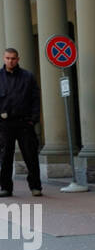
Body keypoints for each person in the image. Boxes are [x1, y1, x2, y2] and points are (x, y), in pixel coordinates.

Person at [0, 48, 42, 197]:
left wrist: (33, 120)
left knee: (30, 156)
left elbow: (35, 99)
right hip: (4, 124)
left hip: (25, 123)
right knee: (5, 157)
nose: (10, 61)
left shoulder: (28, 76)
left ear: (18, 59)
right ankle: (5, 187)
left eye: (13, 58)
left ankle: (36, 187)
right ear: (4, 59)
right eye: (7, 58)